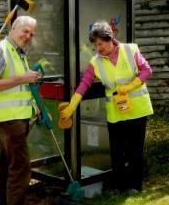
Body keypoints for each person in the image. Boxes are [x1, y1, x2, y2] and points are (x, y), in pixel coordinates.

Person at [60, 20, 153, 194]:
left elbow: (147, 70)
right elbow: (84, 84)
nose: (98, 48)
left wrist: (130, 86)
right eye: (95, 45)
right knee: (117, 151)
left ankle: (134, 186)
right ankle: (118, 186)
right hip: (115, 113)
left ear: (109, 38)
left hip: (138, 109)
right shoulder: (96, 62)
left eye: (100, 43)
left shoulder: (130, 50)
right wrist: (72, 106)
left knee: (135, 150)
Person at [0, 15, 39, 205]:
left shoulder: (19, 53)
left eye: (31, 34)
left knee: (5, 165)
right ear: (13, 27)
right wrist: (24, 78)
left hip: (19, 116)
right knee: (20, 167)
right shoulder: (0, 49)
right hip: (10, 118)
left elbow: (20, 87)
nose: (27, 36)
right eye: (25, 31)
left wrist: (33, 108)